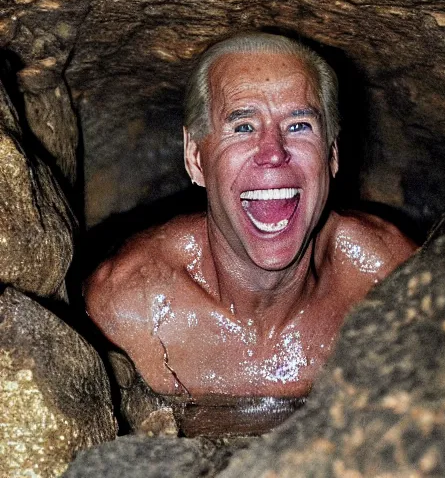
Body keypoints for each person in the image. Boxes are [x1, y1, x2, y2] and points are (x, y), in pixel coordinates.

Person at [85, 32, 416, 399]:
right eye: (243, 127)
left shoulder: (392, 283)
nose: (273, 152)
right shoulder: (132, 311)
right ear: (195, 158)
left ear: (332, 155)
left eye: (298, 125)